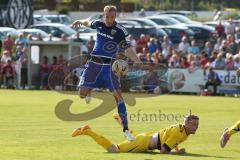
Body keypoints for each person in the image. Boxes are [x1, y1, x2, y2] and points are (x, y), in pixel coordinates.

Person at [71, 5, 143, 141]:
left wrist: (138, 61)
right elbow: (88, 23)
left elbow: (128, 50)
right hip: (93, 65)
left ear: (115, 17)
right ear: (103, 15)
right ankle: (90, 90)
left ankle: (126, 130)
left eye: (112, 17)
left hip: (109, 68)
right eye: (107, 17)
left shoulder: (121, 31)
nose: (109, 19)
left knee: (119, 98)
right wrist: (80, 21)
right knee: (81, 95)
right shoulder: (98, 23)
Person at [72, 114, 199, 154]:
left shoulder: (183, 130)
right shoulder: (180, 132)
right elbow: (163, 152)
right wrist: (177, 153)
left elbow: (171, 139)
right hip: (142, 143)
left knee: (132, 138)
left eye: (197, 125)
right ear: (186, 123)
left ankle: (121, 122)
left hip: (146, 138)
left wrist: (176, 148)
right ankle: (87, 131)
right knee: (114, 150)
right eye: (193, 124)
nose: (196, 127)